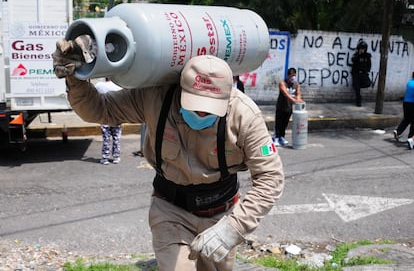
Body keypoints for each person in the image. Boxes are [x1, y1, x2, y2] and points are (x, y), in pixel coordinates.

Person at [53, 40, 285, 271]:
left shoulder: (245, 115)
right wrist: (75, 78)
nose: (201, 113)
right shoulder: (156, 97)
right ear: (181, 88)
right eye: (195, 104)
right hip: (171, 211)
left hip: (222, 214)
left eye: (210, 108)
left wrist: (233, 228)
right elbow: (99, 109)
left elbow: (270, 178)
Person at [95, 79, 123, 164]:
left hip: (104, 115)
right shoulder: (119, 86)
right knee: (116, 137)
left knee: (106, 138)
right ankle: (116, 157)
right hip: (116, 115)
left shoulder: (99, 85)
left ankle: (105, 158)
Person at [274, 67, 302, 147]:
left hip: (289, 107)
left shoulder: (296, 84)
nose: (293, 77)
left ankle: (281, 137)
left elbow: (298, 94)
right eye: (291, 76)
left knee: (285, 123)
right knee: (278, 123)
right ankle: (276, 138)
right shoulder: (283, 83)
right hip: (281, 106)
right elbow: (286, 94)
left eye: (294, 75)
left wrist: (299, 99)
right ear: (288, 76)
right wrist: (294, 101)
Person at [393, 72, 414, 150]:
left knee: (407, 119)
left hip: (406, 103)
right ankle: (410, 138)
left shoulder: (409, 82)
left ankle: (398, 131)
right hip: (413, 104)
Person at [351, 40, 372, 107]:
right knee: (357, 89)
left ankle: (358, 86)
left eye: (363, 48)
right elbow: (353, 60)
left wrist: (366, 71)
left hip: (364, 74)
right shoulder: (356, 55)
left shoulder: (367, 56)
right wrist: (358, 54)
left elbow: (369, 64)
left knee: (368, 83)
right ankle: (358, 102)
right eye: (361, 48)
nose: (362, 50)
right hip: (356, 74)